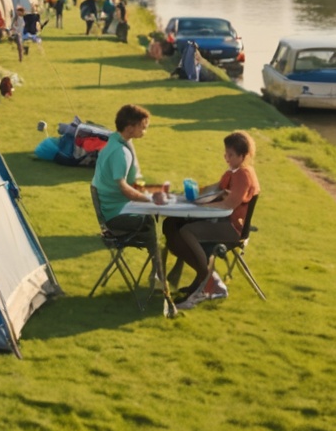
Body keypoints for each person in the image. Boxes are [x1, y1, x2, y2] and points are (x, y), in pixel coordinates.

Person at [163, 130, 260, 308]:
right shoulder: (233, 172)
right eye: (226, 153)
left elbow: (229, 204)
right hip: (220, 221)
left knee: (186, 231)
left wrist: (200, 206)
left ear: (242, 155)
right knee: (171, 224)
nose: (226, 158)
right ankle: (207, 279)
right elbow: (215, 188)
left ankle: (206, 282)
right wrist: (189, 196)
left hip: (232, 228)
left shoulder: (243, 175)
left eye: (230, 155)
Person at [92, 104, 164, 240]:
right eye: (143, 127)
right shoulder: (120, 152)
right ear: (130, 128)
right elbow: (124, 188)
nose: (145, 131)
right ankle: (157, 258)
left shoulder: (112, 142)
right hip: (117, 215)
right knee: (160, 220)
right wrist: (148, 200)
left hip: (115, 209)